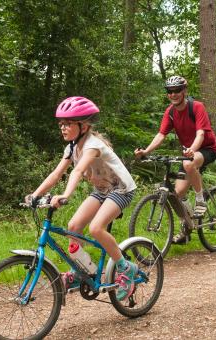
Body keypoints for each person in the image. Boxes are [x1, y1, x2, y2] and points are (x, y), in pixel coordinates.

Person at [27, 96, 139, 301]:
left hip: (121, 189)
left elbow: (78, 170)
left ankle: (126, 268)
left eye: (68, 124)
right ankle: (83, 271)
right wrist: (35, 195)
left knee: (96, 228)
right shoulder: (71, 147)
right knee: (73, 227)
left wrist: (65, 195)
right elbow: (56, 174)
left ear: (84, 126)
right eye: (61, 124)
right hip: (102, 190)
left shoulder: (93, 145)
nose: (63, 127)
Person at [134, 75, 216, 244]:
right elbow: (161, 135)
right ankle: (187, 227)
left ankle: (200, 200)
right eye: (169, 91)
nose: (173, 94)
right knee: (177, 194)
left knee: (188, 163)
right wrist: (146, 151)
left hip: (206, 149)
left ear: (184, 91)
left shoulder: (196, 107)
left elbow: (201, 134)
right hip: (189, 152)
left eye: (177, 91)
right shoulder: (170, 112)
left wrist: (192, 150)